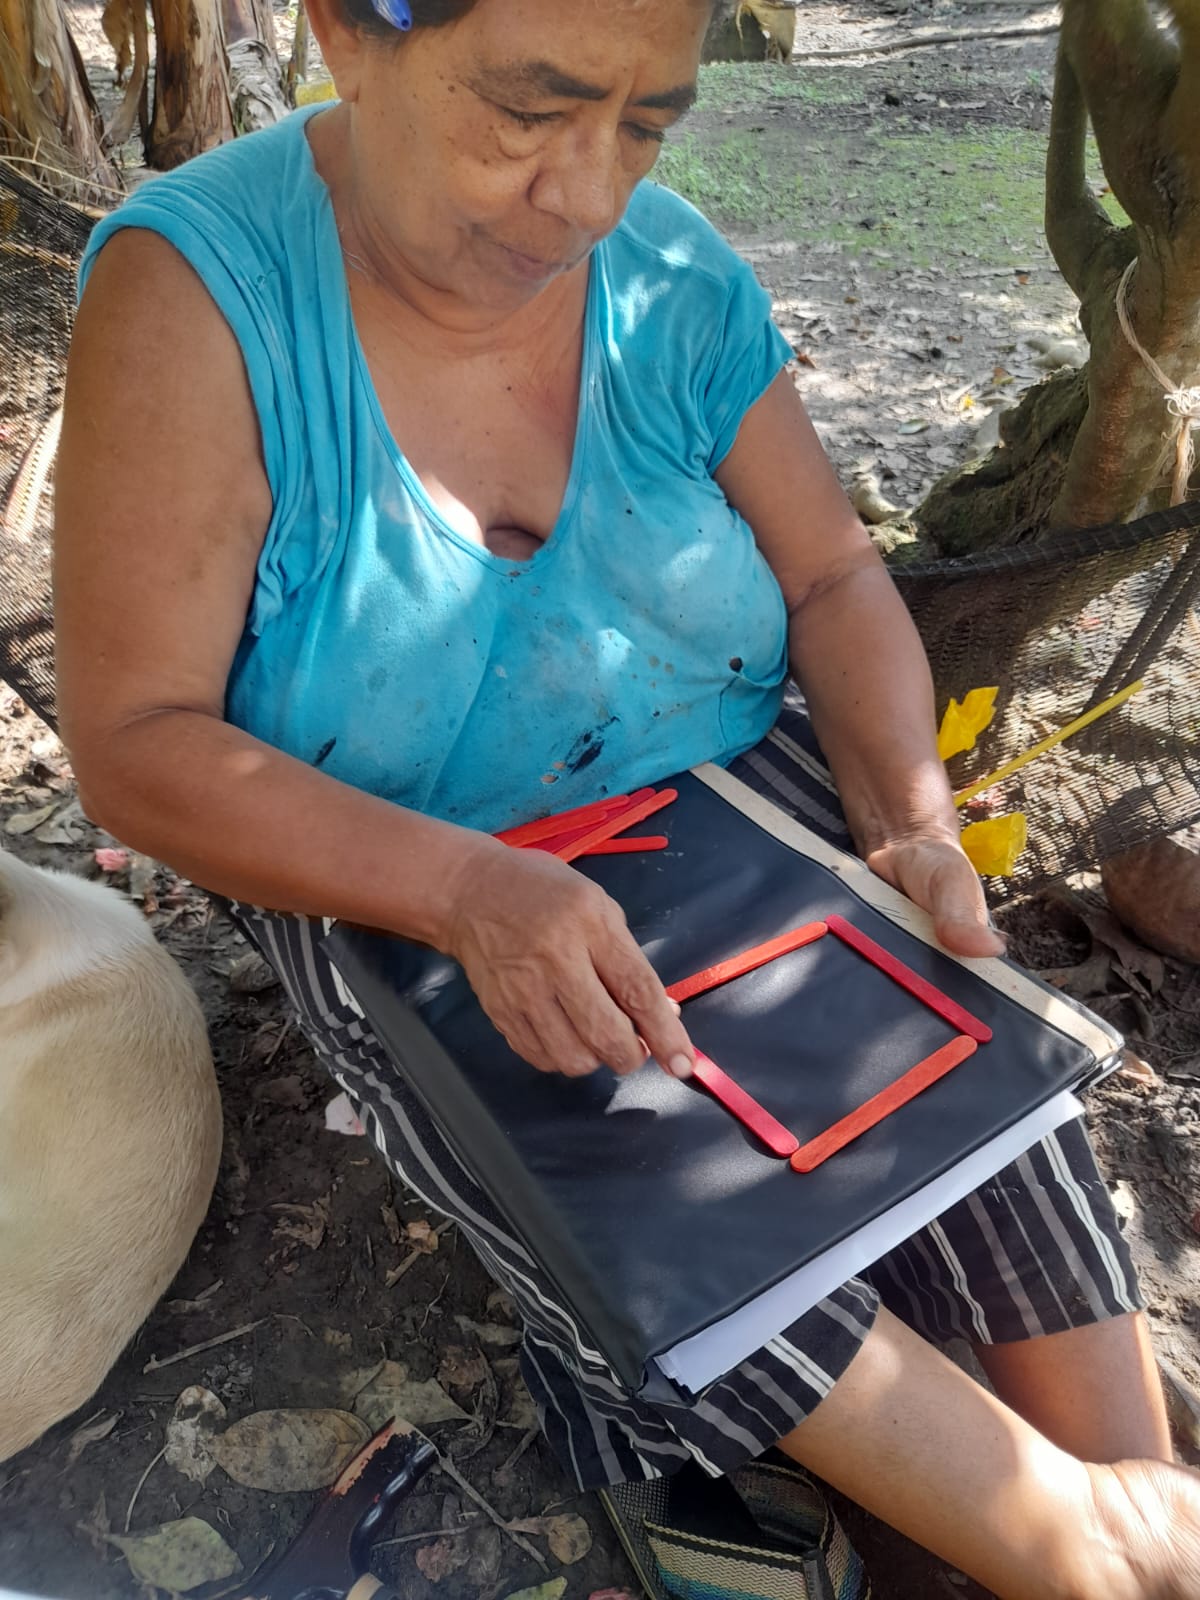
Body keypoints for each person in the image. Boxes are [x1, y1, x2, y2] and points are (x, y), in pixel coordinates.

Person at [51, 0, 1200, 1593]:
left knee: (951, 1075)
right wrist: (467, 893)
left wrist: (909, 831)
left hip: (741, 793)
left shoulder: (668, 274)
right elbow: (138, 739)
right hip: (393, 865)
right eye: (529, 112)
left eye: (648, 123)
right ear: (348, 33)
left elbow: (833, 575)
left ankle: (1139, 1495)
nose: (589, 197)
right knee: (639, 1201)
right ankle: (1080, 1546)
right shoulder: (199, 296)